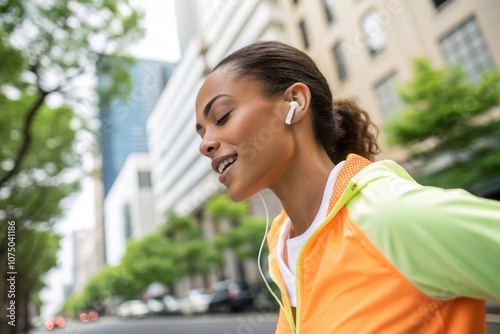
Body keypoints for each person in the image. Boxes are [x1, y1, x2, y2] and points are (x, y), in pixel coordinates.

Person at [194, 41, 500, 333]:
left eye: (222, 116)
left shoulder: (387, 214)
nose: (205, 144)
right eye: (201, 132)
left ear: (295, 102)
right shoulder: (281, 246)